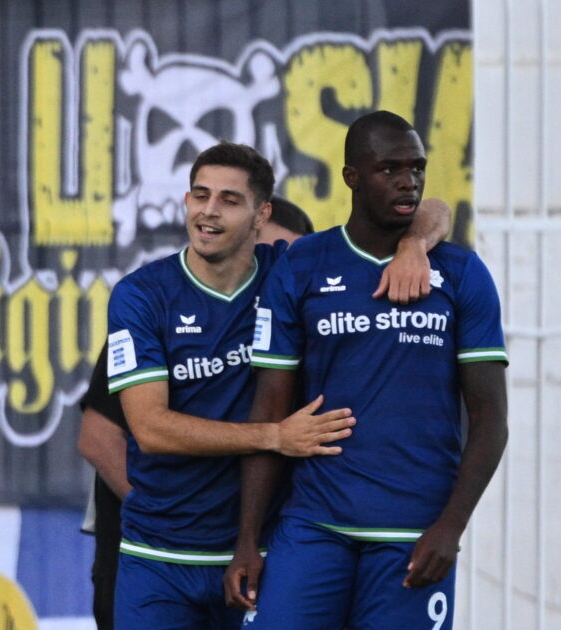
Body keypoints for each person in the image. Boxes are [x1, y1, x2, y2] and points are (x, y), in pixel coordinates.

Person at [104, 141, 451, 628]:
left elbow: (436, 209)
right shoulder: (142, 294)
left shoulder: (289, 272)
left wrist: (412, 246)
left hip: (261, 554)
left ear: (261, 214)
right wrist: (274, 436)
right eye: (199, 195)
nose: (208, 211)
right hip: (159, 555)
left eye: (229, 200)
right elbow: (150, 429)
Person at [225, 111, 509, 630]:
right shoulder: (302, 265)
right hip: (314, 524)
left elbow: (491, 419)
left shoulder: (461, 273)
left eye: (417, 168)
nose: (408, 181)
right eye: (389, 169)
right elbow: (269, 410)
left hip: (412, 533)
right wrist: (248, 539)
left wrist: (451, 526)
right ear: (351, 176)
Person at [76, 196, 317, 630]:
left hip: (251, 555)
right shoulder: (150, 307)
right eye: (267, 251)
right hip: (155, 555)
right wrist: (174, 515)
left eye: (288, 259)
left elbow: (420, 212)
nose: (278, 270)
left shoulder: (292, 322)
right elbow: (98, 437)